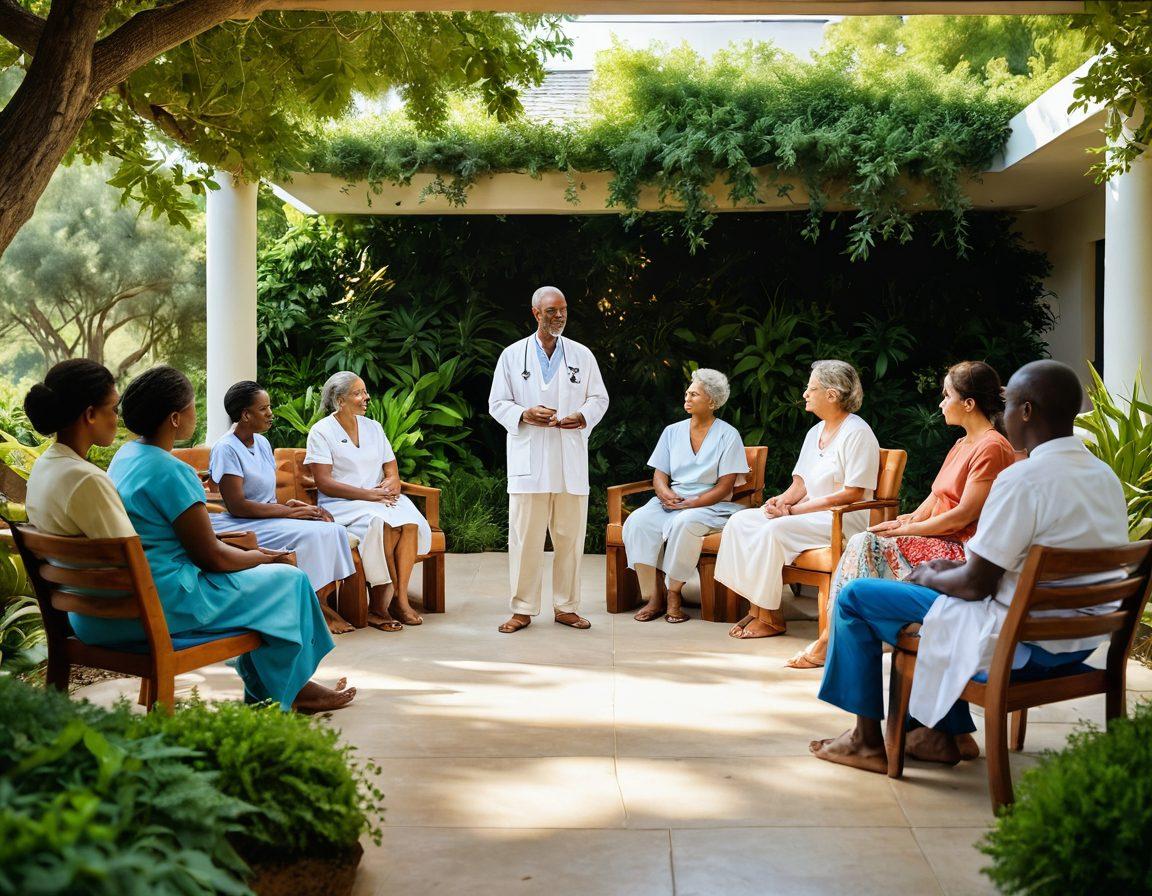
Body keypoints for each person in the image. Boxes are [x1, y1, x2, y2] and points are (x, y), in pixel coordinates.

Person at [812, 360, 1128, 772]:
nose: (1003, 415)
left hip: (1022, 644)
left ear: (1027, 411)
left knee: (858, 599)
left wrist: (927, 573)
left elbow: (976, 583)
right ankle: (938, 732)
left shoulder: (1024, 479)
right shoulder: (1104, 475)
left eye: (1009, 404)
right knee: (929, 611)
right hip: (1081, 639)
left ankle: (866, 740)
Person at [24, 361, 352, 713]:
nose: (116, 417)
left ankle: (285, 686)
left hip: (89, 614)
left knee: (264, 583)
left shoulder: (95, 460)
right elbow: (210, 558)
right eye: (111, 408)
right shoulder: (159, 471)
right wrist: (264, 557)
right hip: (145, 611)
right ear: (175, 419)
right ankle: (283, 691)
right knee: (289, 581)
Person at [786, 361, 1016, 669]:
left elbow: (962, 516)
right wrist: (903, 520)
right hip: (939, 537)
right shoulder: (963, 443)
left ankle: (833, 639)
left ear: (969, 403)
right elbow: (936, 497)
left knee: (864, 544)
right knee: (866, 539)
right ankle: (840, 637)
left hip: (960, 551)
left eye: (947, 396)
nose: (941, 403)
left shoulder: (992, 446)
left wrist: (909, 531)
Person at [715, 360, 880, 639]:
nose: (805, 393)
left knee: (774, 529)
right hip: (809, 514)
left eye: (811, 388)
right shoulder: (815, 432)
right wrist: (780, 501)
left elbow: (852, 493)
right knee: (741, 521)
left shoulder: (857, 432)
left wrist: (793, 512)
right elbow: (801, 483)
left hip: (842, 518)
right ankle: (758, 608)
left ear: (831, 394)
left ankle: (769, 617)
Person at [488, 285, 609, 633]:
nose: (559, 316)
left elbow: (599, 398)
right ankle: (522, 609)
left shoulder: (582, 355)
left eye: (563, 310)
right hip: (529, 463)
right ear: (536, 314)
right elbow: (497, 403)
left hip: (569, 457)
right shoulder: (512, 355)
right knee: (525, 539)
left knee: (570, 539)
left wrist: (582, 417)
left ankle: (566, 607)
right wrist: (524, 414)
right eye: (552, 311)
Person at [208, 381, 358, 635]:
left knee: (329, 527)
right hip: (240, 522)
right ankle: (315, 608)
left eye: (270, 407)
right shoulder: (226, 449)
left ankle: (316, 601)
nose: (270, 414)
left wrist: (292, 506)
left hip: (265, 517)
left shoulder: (262, 444)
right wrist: (289, 514)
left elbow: (266, 497)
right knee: (316, 534)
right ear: (245, 415)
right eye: (264, 409)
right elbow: (238, 505)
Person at [305, 371, 431, 632]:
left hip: (378, 498)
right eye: (358, 393)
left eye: (365, 392)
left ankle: (400, 599)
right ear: (340, 400)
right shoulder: (321, 431)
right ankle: (378, 607)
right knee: (381, 525)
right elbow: (324, 482)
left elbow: (391, 466)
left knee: (409, 524)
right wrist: (369, 495)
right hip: (342, 503)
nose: (366, 397)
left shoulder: (373, 427)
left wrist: (393, 480)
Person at [623, 369, 750, 623]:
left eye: (695, 393)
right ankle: (656, 595)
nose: (687, 397)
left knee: (684, 524)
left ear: (712, 402)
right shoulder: (672, 431)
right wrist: (665, 494)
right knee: (638, 521)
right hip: (672, 501)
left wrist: (694, 503)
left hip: (711, 505)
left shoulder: (728, 435)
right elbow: (659, 475)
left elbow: (725, 486)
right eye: (687, 392)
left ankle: (673, 594)